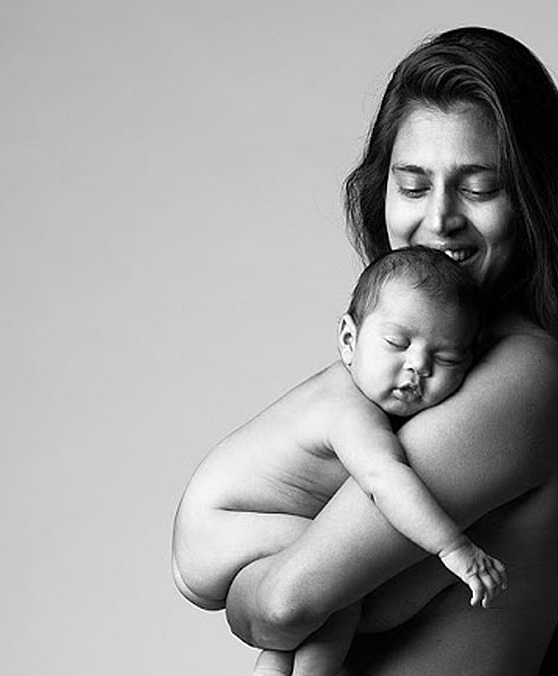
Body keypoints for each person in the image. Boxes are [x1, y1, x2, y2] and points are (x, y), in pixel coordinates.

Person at [205, 26, 558, 675]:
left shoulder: (524, 379)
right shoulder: (430, 372)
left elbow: (285, 604)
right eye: (414, 185)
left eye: (478, 188)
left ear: (537, 201)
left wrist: (231, 581)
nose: (440, 218)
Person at [172, 247, 508, 675]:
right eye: (397, 343)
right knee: (337, 587)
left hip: (224, 534)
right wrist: (454, 548)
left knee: (320, 602)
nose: (417, 367)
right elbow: (385, 479)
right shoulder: (348, 409)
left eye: (445, 359)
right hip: (221, 527)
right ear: (349, 341)